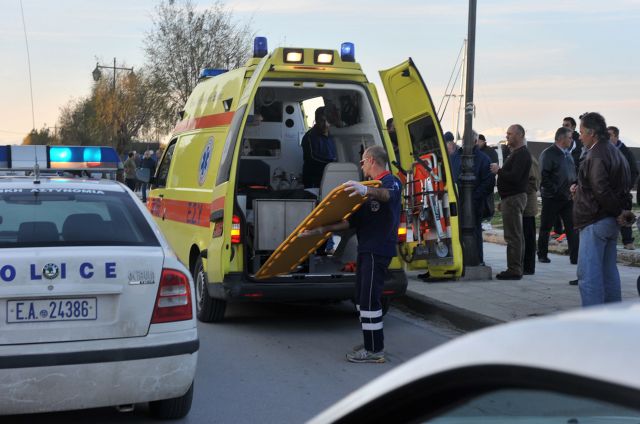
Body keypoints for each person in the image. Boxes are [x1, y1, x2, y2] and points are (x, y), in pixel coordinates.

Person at [300, 145, 401, 363]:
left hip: (378, 249)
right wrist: (319, 230)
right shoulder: (366, 190)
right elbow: (349, 223)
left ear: (372, 160)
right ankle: (370, 342)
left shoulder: (389, 182)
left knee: (370, 300)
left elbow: (387, 196)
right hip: (366, 249)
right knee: (362, 300)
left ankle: (375, 350)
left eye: (363, 161)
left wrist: (366, 190)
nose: (361, 166)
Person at [573, 112, 633, 307]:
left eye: (581, 132)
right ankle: (613, 316)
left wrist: (618, 212)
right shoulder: (615, 152)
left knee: (588, 275)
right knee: (608, 273)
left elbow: (601, 189)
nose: (579, 137)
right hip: (609, 221)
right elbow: (616, 186)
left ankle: (593, 319)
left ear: (592, 133)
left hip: (595, 220)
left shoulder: (597, 154)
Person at [490, 124, 532, 280]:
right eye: (507, 133)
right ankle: (516, 267)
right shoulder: (516, 153)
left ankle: (514, 269)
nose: (507, 136)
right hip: (510, 198)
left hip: (514, 198)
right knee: (515, 234)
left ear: (520, 135)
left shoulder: (522, 154)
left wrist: (499, 170)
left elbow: (515, 177)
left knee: (513, 235)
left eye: (510, 134)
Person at [537, 127, 579, 265]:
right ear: (561, 138)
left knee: (572, 228)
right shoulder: (548, 154)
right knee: (546, 227)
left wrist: (574, 185)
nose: (571, 140)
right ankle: (542, 254)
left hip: (568, 198)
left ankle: (575, 257)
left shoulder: (567, 155)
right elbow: (544, 176)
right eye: (569, 138)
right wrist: (556, 191)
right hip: (552, 198)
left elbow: (572, 174)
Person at [608, 126, 638, 250]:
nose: (607, 137)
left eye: (610, 135)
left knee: (625, 215)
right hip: (608, 191)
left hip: (623, 192)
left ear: (616, 136)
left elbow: (634, 171)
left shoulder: (626, 152)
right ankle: (610, 240)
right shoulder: (605, 150)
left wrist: (627, 187)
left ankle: (628, 241)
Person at [301, 106, 337, 188]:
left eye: (327, 120)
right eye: (322, 120)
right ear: (316, 120)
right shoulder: (309, 137)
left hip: (330, 177)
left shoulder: (333, 135)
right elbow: (312, 157)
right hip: (313, 179)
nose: (325, 124)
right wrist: (332, 162)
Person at [522, 149, 539, 275]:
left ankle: (528, 267)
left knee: (528, 237)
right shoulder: (523, 157)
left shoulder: (528, 159)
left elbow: (533, 183)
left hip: (527, 206)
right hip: (523, 205)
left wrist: (517, 190)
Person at [477, 134, 498, 225]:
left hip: (489, 181)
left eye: (479, 141)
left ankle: (489, 218)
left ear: (483, 141)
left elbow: (494, 166)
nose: (477, 143)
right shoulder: (477, 151)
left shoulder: (491, 151)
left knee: (489, 201)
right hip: (479, 183)